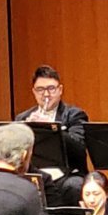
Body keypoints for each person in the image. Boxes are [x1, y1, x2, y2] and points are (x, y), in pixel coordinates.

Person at [14, 65, 90, 207]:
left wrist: (53, 128)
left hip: (66, 175)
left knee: (75, 185)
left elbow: (79, 147)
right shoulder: (22, 118)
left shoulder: (74, 115)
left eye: (51, 89)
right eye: (40, 90)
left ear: (60, 90)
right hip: (35, 174)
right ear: (34, 92)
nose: (46, 94)